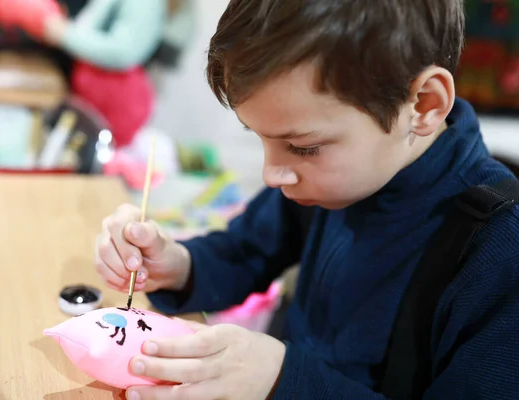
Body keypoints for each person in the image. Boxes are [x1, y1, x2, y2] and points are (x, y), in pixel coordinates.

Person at [95, 1, 519, 399]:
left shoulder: (499, 250)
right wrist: (177, 265)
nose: (270, 173)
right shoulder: (334, 177)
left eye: (302, 146)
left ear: (424, 105)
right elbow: (246, 251)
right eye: (259, 137)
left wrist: (284, 378)